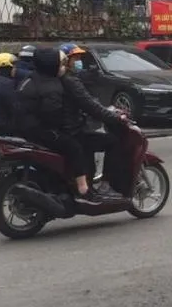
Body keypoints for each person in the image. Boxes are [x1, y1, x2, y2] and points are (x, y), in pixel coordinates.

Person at [16, 48, 123, 199]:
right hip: (54, 130)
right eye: (70, 60)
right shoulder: (60, 83)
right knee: (102, 143)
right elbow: (86, 105)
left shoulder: (35, 79)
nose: (71, 63)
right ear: (52, 64)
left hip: (31, 129)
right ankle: (87, 187)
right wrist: (114, 117)